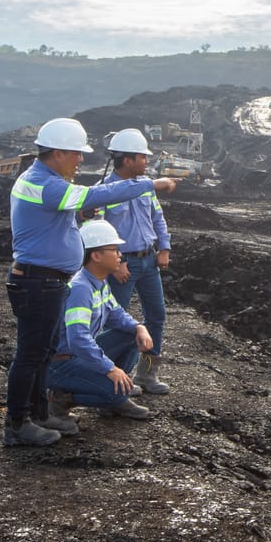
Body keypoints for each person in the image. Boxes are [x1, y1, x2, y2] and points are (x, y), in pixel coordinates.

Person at [3, 118, 176, 447]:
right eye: (76, 154)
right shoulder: (48, 186)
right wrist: (150, 184)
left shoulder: (42, 179)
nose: (80, 160)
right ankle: (17, 424)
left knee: (41, 353)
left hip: (46, 280)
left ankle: (39, 415)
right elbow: (99, 194)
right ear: (57, 152)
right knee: (31, 354)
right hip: (38, 282)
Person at [46, 220, 156, 425]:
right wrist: (110, 369)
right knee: (113, 392)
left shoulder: (99, 281)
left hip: (77, 355)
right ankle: (59, 399)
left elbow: (115, 314)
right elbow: (78, 339)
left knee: (131, 333)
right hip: (61, 363)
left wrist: (139, 327)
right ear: (96, 256)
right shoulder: (81, 289)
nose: (120, 254)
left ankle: (116, 394)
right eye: (114, 249)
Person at [100, 128, 173, 395]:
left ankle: (146, 374)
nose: (147, 162)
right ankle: (116, 379)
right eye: (143, 157)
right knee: (117, 322)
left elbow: (157, 218)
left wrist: (163, 247)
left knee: (157, 316)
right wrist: (116, 263)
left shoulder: (145, 188)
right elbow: (98, 230)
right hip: (123, 265)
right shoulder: (104, 192)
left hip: (149, 261)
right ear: (127, 160)